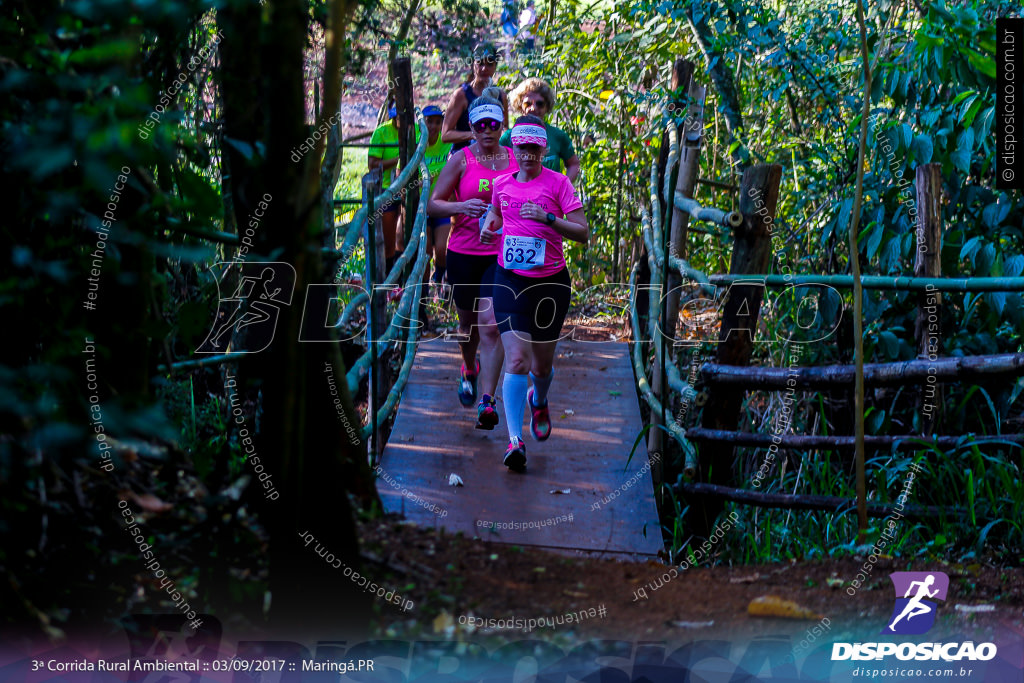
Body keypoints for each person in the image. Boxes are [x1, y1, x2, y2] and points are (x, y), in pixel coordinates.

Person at [481, 115, 588, 471]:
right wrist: (488, 228)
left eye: (533, 148)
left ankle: (538, 400)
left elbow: (582, 232)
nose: (527, 154)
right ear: (513, 147)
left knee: (541, 366)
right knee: (516, 360)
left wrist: (548, 219)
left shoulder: (559, 185)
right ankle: (514, 441)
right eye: (521, 147)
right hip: (510, 280)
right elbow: (495, 216)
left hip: (550, 284)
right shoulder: (501, 184)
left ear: (543, 149)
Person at [428, 94, 519, 429]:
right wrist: (459, 208)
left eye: (493, 124)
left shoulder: (514, 160)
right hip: (464, 252)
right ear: (472, 127)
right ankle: (469, 367)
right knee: (467, 327)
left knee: (490, 323)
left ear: (501, 125)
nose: (487, 130)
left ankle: (487, 401)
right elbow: (433, 204)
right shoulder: (461, 160)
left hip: (501, 253)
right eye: (480, 125)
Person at [367, 105, 421, 272]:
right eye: (396, 117)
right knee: (389, 240)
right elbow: (372, 164)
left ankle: (402, 278)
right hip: (388, 189)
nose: (400, 120)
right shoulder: (381, 132)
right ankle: (389, 277)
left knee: (406, 235)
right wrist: (400, 158)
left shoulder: (418, 130)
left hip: (411, 189)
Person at [500, 78, 580, 182]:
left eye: (540, 104)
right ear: (520, 105)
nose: (533, 108)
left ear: (547, 106)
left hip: (550, 195)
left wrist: (563, 187)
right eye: (527, 104)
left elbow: (574, 164)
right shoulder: (508, 137)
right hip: (518, 196)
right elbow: (494, 164)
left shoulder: (557, 135)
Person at [441, 43, 509, 152]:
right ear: (474, 65)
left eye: (489, 64)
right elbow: (446, 135)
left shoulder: (501, 96)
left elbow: (504, 129)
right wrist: (476, 134)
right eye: (480, 63)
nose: (484, 69)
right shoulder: (461, 95)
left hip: (491, 156)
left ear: (495, 67)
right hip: (464, 156)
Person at [422, 105, 453, 289]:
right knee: (424, 252)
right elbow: (402, 175)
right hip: (421, 207)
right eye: (429, 122)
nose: (433, 126)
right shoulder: (415, 144)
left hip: (441, 204)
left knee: (442, 249)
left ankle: (440, 278)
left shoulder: (447, 143)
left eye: (437, 122)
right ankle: (422, 290)